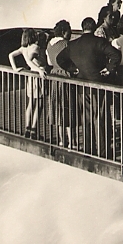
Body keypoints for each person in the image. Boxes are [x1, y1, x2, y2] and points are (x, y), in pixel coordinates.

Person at [56, 17, 121, 157]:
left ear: (82, 27)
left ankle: (88, 149)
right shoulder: (99, 42)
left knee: (86, 119)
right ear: (93, 27)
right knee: (101, 119)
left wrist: (74, 69)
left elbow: (59, 59)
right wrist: (109, 69)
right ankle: (103, 152)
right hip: (98, 84)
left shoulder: (73, 44)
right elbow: (116, 54)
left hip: (82, 86)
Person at [8, 28, 48, 139]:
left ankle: (27, 128)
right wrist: (39, 70)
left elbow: (10, 55)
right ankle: (34, 130)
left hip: (31, 76)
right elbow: (29, 60)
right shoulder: (35, 47)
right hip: (38, 76)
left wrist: (15, 68)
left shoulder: (23, 48)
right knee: (39, 104)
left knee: (31, 103)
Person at [47, 20, 77, 148]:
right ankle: (72, 142)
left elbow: (49, 62)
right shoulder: (66, 44)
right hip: (66, 75)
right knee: (69, 107)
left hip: (54, 76)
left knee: (58, 108)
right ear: (64, 32)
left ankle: (61, 140)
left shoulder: (49, 44)